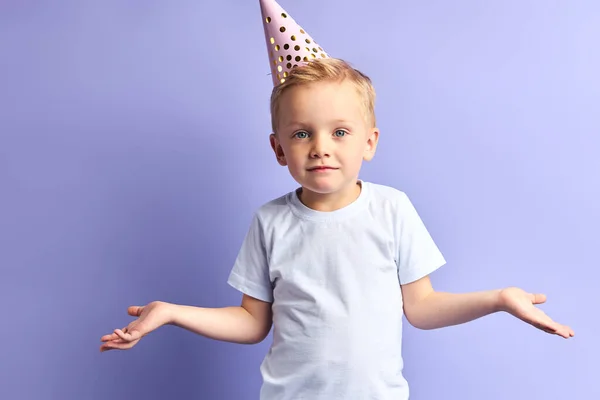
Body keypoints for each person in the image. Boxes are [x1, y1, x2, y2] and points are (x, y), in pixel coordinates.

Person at [100, 1, 574, 399]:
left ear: (369, 142)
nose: (321, 146)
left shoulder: (392, 210)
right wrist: (172, 312)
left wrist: (498, 299)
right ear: (279, 149)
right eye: (303, 133)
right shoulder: (270, 222)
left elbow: (423, 309)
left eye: (340, 131)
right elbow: (251, 322)